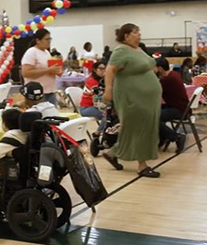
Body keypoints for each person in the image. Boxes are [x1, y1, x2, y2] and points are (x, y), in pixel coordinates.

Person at [103, 24, 161, 178]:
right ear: (126, 36)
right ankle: (142, 166)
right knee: (140, 128)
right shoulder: (121, 50)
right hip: (132, 97)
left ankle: (112, 153)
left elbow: (148, 66)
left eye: (139, 31)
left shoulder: (138, 49)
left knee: (138, 128)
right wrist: (108, 89)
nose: (139, 34)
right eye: (135, 32)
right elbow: (110, 70)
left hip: (148, 98)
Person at [21, 29, 62, 105]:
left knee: (52, 115)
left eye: (50, 39)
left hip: (50, 91)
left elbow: (48, 70)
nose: (49, 41)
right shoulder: (31, 52)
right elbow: (25, 72)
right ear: (38, 40)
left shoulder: (46, 52)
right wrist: (48, 70)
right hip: (37, 94)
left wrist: (56, 71)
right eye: (46, 39)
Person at [155, 57, 187, 153]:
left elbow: (155, 93)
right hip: (181, 107)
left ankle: (177, 137)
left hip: (179, 110)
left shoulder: (167, 80)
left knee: (153, 118)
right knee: (155, 114)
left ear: (160, 68)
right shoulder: (174, 74)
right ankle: (163, 137)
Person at [79, 60, 107, 133]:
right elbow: (98, 100)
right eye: (101, 69)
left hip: (96, 106)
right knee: (108, 114)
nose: (103, 71)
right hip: (86, 108)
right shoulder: (92, 81)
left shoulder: (101, 80)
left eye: (105, 69)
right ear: (95, 70)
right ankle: (98, 133)